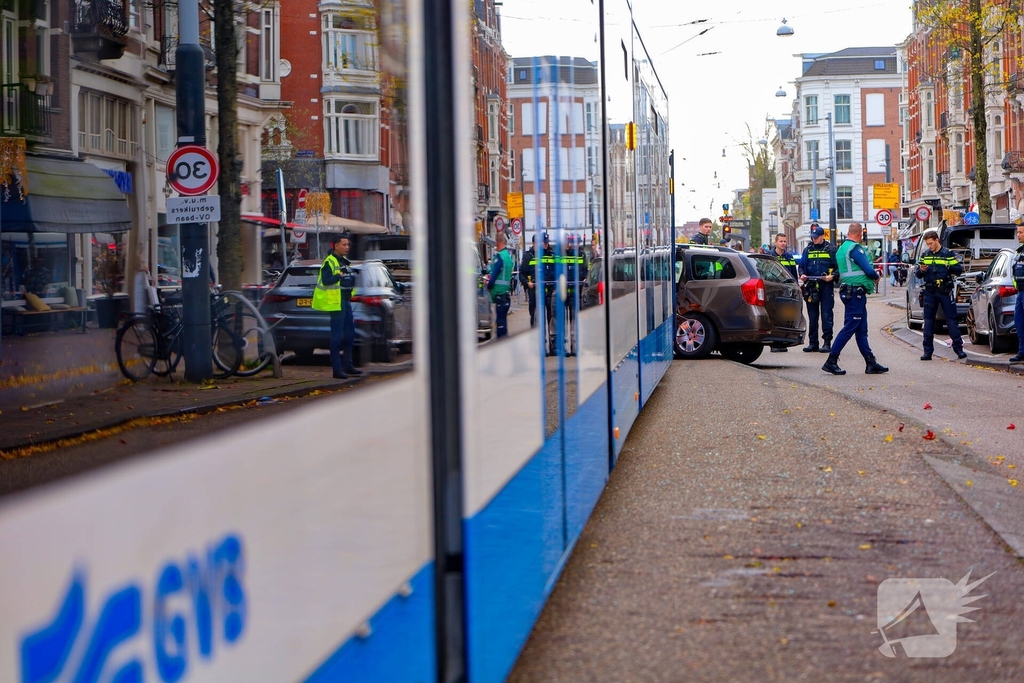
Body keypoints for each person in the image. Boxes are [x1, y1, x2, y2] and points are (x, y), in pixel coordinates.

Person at [822, 222, 888, 375]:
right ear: (860, 234)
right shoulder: (855, 249)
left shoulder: (842, 249)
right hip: (855, 294)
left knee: (861, 329)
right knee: (850, 327)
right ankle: (831, 360)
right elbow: (868, 270)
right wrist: (876, 275)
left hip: (849, 292)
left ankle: (870, 362)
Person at [312, 234, 362, 379]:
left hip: (345, 301)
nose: (347, 247)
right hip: (335, 303)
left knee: (350, 335)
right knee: (337, 337)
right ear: (336, 246)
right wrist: (339, 275)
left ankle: (348, 365)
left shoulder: (345, 261)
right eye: (344, 245)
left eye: (348, 245)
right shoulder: (329, 261)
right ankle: (337, 369)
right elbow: (327, 280)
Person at [916, 229, 968, 361]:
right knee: (928, 322)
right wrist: (921, 270)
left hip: (944, 291)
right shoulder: (925, 255)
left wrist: (948, 266)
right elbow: (918, 274)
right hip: (930, 291)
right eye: (927, 244)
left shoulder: (947, 254)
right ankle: (927, 351)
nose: (929, 246)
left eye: (931, 243)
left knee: (951, 321)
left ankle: (958, 349)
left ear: (937, 240)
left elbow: (958, 270)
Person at [798, 224, 837, 353]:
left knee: (826, 315)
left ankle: (827, 342)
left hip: (826, 285)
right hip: (811, 286)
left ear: (822, 236)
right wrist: (802, 274)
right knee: (812, 316)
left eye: (816, 237)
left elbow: (839, 268)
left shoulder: (831, 249)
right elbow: (802, 265)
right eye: (813, 237)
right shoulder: (808, 249)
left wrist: (832, 277)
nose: (814, 239)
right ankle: (813, 343)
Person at [770, 233, 799, 353]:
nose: (783, 243)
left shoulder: (789, 256)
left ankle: (783, 342)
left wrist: (796, 287)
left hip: (787, 290)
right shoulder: (770, 256)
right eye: (781, 241)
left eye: (784, 241)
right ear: (775, 243)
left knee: (786, 316)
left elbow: (793, 274)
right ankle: (774, 344)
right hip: (774, 290)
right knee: (774, 316)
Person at [487, 231, 514, 338]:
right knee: (503, 324)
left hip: (499, 295)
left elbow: (493, 277)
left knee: (500, 326)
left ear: (497, 243)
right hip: (506, 294)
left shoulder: (499, 257)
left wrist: (488, 285)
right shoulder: (508, 257)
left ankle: (501, 349)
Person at [1009, 224, 1024, 362]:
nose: (1018, 234)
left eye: (1020, 232)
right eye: (1017, 232)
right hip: (1020, 292)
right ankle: (1022, 352)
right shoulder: (1020, 251)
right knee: (1019, 323)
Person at [520, 235, 538, 327]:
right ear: (533, 243)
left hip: (543, 288)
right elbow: (521, 273)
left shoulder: (544, 255)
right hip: (532, 288)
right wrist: (527, 282)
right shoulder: (527, 256)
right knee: (533, 311)